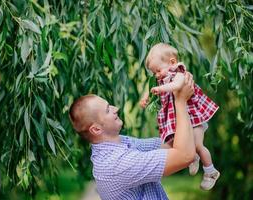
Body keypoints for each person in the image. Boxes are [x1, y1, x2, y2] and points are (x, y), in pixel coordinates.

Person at [69, 73, 195, 200]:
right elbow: (184, 156)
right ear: (96, 129)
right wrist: (180, 101)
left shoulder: (122, 142)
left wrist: (172, 88)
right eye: (107, 110)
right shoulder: (116, 164)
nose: (116, 108)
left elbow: (169, 144)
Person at [140, 43, 220, 190]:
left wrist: (159, 89)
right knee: (179, 142)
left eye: (158, 70)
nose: (157, 75)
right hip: (182, 121)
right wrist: (146, 96)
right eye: (154, 73)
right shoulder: (162, 78)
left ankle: (211, 171)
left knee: (198, 145)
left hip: (194, 119)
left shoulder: (179, 74)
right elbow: (152, 86)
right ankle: (193, 157)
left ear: (172, 62)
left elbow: (176, 86)